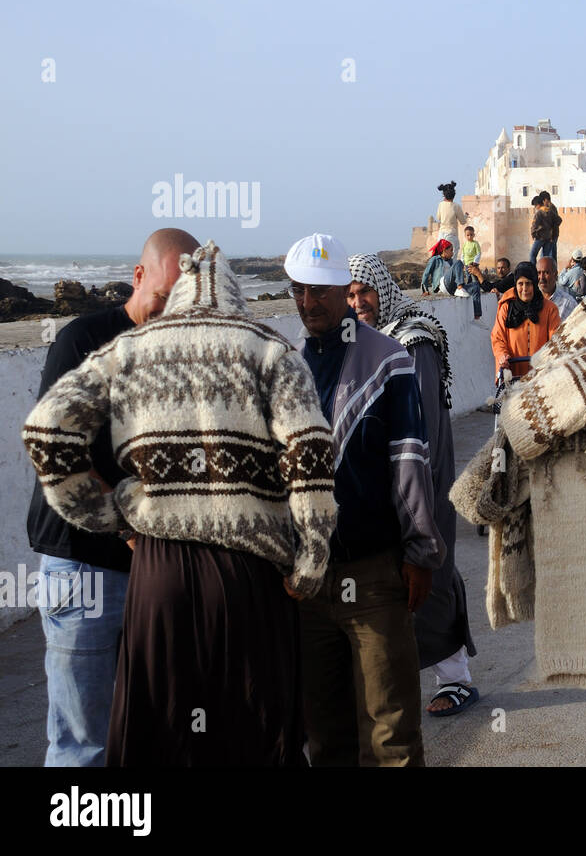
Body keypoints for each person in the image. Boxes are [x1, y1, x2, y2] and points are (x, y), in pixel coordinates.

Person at [25, 238, 336, 765]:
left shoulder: (133, 350)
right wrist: (311, 560)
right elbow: (310, 455)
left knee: (159, 731)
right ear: (235, 294)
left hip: (156, 572)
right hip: (250, 579)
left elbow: (47, 430)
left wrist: (107, 512)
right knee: (254, 730)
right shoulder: (270, 350)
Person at [24, 227, 199, 767]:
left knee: (153, 730)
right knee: (83, 742)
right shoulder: (81, 341)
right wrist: (129, 529)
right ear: (138, 277)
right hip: (83, 570)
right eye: (161, 299)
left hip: (156, 571)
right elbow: (57, 449)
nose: (170, 314)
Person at [289, 233, 444, 767]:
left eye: (320, 292)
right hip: (309, 583)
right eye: (298, 292)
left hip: (376, 576)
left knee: (390, 733)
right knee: (325, 737)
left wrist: (421, 553)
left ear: (341, 290)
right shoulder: (289, 368)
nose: (308, 303)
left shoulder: (390, 360)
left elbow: (410, 461)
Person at [347, 254, 478, 718]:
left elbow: (416, 422)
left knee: (432, 570)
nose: (358, 301)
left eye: (365, 291)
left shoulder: (413, 337)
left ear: (382, 289)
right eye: (350, 294)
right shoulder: (365, 342)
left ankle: (456, 679)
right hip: (388, 476)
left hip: (422, 471)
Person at [491, 261, 560, 379]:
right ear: (515, 285)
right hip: (512, 373)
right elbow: (498, 337)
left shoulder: (549, 309)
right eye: (520, 284)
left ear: (534, 284)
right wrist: (502, 355)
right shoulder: (506, 308)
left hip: (540, 375)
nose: (524, 289)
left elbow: (555, 339)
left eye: (528, 284)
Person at [536, 254, 578, 320]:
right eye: (538, 273)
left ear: (555, 275)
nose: (541, 277)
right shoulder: (530, 300)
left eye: (546, 273)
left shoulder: (569, 304)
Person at [431, 182, 464, 258]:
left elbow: (438, 218)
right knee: (453, 255)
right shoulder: (456, 206)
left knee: (441, 256)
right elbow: (462, 221)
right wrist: (465, 216)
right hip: (451, 234)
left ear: (444, 195)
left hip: (441, 235)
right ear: (454, 195)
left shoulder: (440, 204)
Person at [528, 195, 552, 267]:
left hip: (540, 237)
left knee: (532, 254)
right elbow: (558, 220)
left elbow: (534, 225)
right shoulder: (550, 211)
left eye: (535, 206)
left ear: (537, 205)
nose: (535, 208)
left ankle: (533, 271)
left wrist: (533, 234)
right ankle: (544, 270)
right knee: (545, 257)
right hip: (548, 237)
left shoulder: (539, 213)